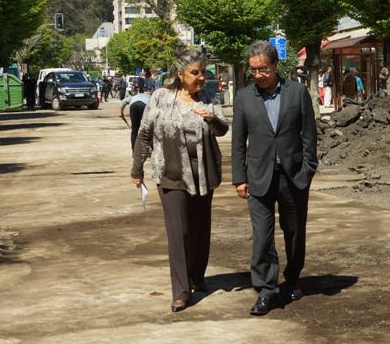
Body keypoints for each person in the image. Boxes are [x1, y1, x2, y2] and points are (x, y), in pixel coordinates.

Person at [131, 49, 228, 313]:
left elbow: (222, 129)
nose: (200, 79)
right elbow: (145, 133)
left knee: (199, 230)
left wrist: (212, 118)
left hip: (204, 174)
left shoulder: (209, 97)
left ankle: (197, 275)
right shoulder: (161, 97)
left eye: (203, 73)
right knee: (178, 233)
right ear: (180, 74)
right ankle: (181, 291)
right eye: (194, 73)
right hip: (170, 174)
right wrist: (137, 168)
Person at [231, 40, 318, 316]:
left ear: (276, 66)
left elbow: (309, 134)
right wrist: (239, 178)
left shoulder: (297, 93)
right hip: (258, 178)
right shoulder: (244, 98)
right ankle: (266, 290)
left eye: (264, 69)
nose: (259, 75)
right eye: (254, 70)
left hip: (292, 177)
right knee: (262, 238)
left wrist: (308, 169)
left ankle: (293, 279)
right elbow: (237, 142)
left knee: (294, 233)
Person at [119, 83, 152, 151]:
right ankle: (148, 148)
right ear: (148, 91)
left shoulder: (134, 96)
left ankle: (134, 150)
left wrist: (121, 113)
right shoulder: (150, 96)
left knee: (134, 130)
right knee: (147, 128)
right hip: (144, 106)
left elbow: (123, 102)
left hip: (133, 105)